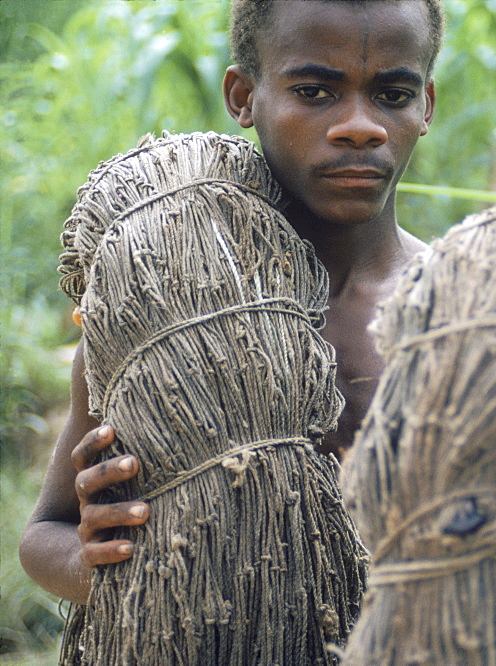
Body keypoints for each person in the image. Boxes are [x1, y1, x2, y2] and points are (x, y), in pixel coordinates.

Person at [20, 0, 441, 648]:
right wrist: (99, 558)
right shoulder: (164, 319)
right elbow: (41, 535)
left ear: (427, 105)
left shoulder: (459, 310)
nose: (361, 126)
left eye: (391, 93)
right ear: (243, 96)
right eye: (315, 91)